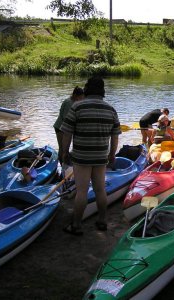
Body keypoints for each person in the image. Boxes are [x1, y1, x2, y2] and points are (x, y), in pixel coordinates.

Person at [61, 76, 121, 235]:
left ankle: (76, 225)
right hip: (101, 157)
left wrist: (64, 151)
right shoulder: (111, 110)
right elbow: (115, 136)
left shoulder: (77, 107)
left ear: (87, 89)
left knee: (81, 191)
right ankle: (102, 221)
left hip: (81, 156)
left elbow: (66, 133)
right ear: (102, 91)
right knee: (100, 190)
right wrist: (112, 154)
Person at [53, 86, 84, 164]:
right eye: (81, 97)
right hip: (60, 127)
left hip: (64, 128)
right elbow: (66, 118)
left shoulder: (73, 102)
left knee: (65, 148)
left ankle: (64, 163)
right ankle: (61, 164)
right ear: (75, 95)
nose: (82, 99)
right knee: (62, 148)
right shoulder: (69, 102)